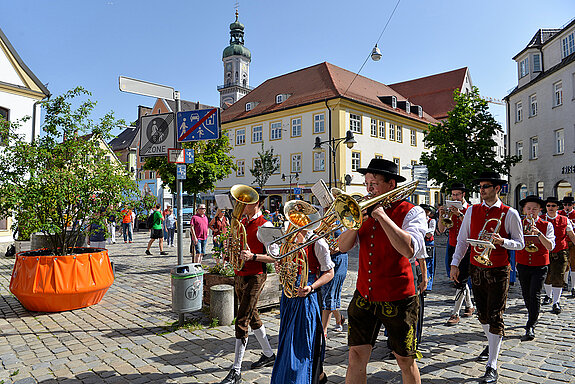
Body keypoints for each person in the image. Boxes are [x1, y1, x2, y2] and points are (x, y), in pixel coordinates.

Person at [338, 158, 427, 384]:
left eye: (374, 183)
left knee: (404, 359)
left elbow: (408, 250)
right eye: (366, 183)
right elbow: (342, 246)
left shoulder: (412, 212)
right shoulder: (362, 213)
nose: (369, 189)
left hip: (398, 298)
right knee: (355, 355)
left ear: (391, 184)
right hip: (364, 295)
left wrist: (382, 216)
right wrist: (356, 222)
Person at [450, 171, 524, 384]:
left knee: (495, 315)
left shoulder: (509, 213)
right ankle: (492, 342)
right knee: (482, 314)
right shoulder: (472, 210)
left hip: (499, 269)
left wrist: (503, 242)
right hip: (476, 267)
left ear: (497, 189)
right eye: (481, 186)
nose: (481, 190)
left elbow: (519, 243)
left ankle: (492, 364)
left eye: (486, 186)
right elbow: (463, 241)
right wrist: (455, 264)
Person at [220, 189, 277, 384]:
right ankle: (269, 354)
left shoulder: (266, 225)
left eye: (246, 202)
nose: (241, 205)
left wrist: (253, 256)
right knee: (253, 317)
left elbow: (276, 257)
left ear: (257, 203)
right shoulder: (242, 223)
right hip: (240, 274)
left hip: (256, 276)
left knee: (242, 319)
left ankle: (236, 370)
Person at [271, 227, 334, 384]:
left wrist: (311, 287)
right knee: (286, 342)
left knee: (301, 344)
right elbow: (283, 266)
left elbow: (329, 272)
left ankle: (302, 379)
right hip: (288, 296)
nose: (292, 225)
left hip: (307, 297)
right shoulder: (289, 241)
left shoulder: (317, 242)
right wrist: (280, 266)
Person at [516, 195, 555, 341]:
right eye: (528, 208)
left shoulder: (546, 225)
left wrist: (538, 233)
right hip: (523, 263)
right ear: (524, 210)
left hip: (540, 265)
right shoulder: (519, 224)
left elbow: (550, 246)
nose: (531, 211)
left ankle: (531, 324)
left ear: (540, 210)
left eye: (535, 209)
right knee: (526, 294)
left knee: (535, 294)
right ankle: (532, 314)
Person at [437, 182, 474, 326]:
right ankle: (469, 305)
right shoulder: (449, 210)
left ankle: (455, 313)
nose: (455, 197)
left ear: (463, 195)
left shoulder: (470, 209)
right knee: (457, 278)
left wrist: (459, 215)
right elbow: (440, 230)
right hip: (453, 246)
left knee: (461, 279)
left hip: (466, 247)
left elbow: (472, 227)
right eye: (453, 195)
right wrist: (441, 216)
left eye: (458, 194)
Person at [541, 196, 575, 314]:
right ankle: (548, 295)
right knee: (547, 275)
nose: (550, 208)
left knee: (559, 276)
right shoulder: (541, 219)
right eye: (548, 205)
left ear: (557, 207)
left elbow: (571, 235)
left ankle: (556, 302)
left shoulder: (565, 220)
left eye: (553, 206)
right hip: (544, 252)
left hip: (561, 251)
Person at [319, 227, 348, 338]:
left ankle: (323, 332)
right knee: (328, 294)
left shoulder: (340, 223)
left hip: (337, 261)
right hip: (325, 260)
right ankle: (339, 318)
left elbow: (340, 246)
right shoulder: (323, 221)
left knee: (329, 294)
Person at [558, 196, 575, 297]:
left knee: (574, 264)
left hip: (573, 242)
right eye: (565, 205)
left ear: (573, 205)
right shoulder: (560, 214)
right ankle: (564, 283)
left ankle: (574, 287)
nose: (567, 207)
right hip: (563, 242)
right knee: (565, 264)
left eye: (569, 205)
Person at [420, 204, 436, 292]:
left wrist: (422, 231)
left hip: (428, 243)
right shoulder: (419, 220)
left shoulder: (431, 221)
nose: (426, 213)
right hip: (421, 242)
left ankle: (428, 285)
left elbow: (430, 233)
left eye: (427, 211)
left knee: (429, 263)